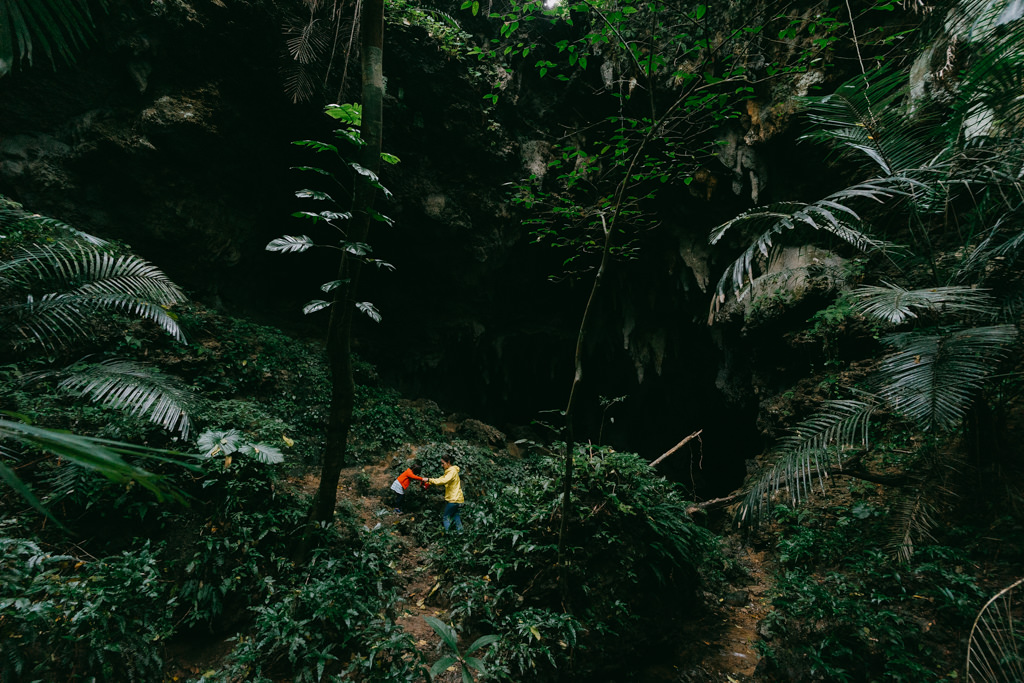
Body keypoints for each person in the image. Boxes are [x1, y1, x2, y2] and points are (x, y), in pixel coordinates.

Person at [427, 455, 464, 533]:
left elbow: (444, 481)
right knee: (456, 517)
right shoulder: (451, 471)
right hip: (458, 499)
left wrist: (428, 479)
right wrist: (430, 481)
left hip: (454, 499)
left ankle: (449, 536)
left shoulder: (452, 471)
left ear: (448, 462)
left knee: (446, 517)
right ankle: (461, 535)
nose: (442, 465)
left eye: (443, 463)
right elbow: (442, 478)